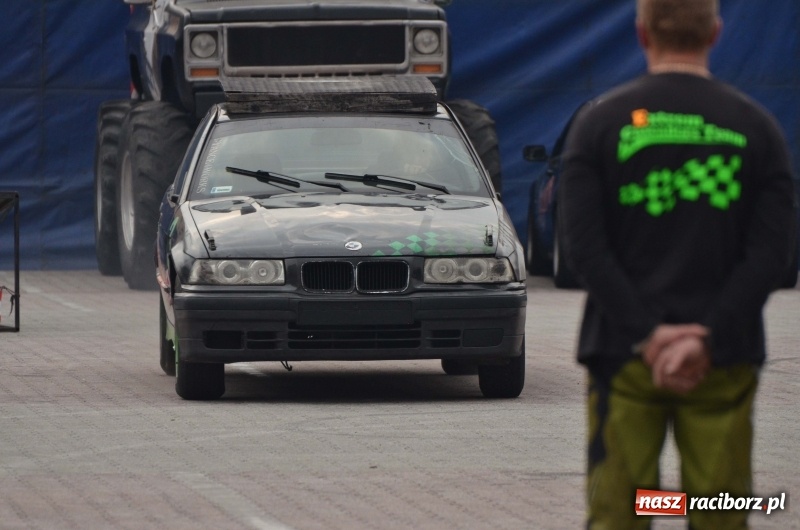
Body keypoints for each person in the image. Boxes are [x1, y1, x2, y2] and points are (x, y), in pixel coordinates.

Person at [557, 0, 797, 528]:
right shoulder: (757, 129)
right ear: (715, 32)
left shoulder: (599, 125)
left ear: (642, 34)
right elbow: (773, 256)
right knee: (720, 510)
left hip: (623, 355)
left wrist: (649, 335)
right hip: (724, 357)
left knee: (619, 512)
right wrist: (704, 336)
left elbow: (584, 252)